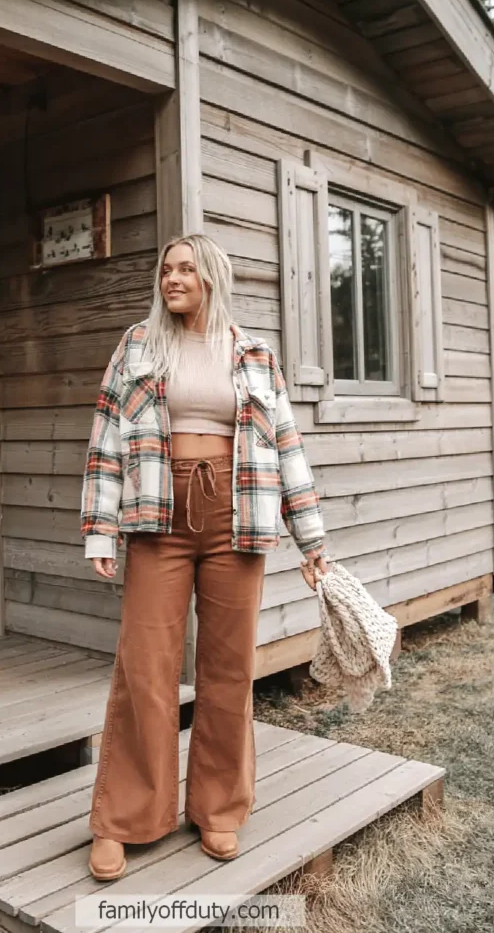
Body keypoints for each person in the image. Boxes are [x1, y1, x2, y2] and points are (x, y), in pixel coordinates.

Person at [80, 233, 329, 881]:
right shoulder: (138, 345)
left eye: (186, 268)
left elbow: (286, 445)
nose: (173, 278)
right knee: (145, 668)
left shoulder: (252, 352)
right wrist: (100, 530)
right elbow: (106, 440)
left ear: (211, 277)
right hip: (155, 517)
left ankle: (218, 807)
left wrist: (311, 538)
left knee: (227, 669)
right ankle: (125, 819)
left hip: (235, 515)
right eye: (166, 269)